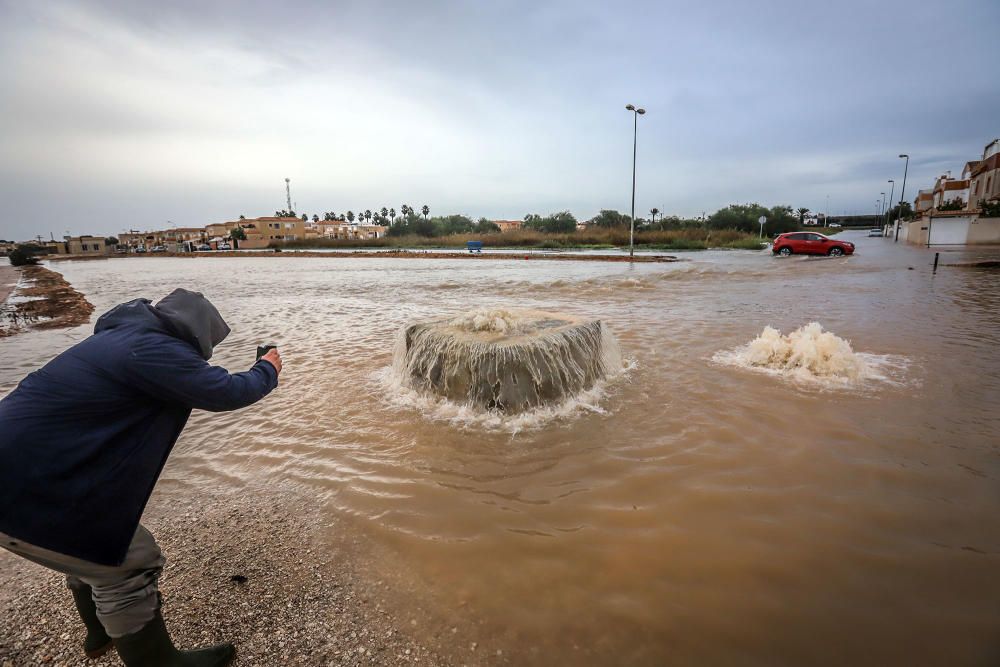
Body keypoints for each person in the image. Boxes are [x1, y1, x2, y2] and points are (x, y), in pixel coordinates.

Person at [0, 288, 281, 667]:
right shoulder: (154, 350)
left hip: (23, 470)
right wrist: (268, 367)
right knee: (128, 561)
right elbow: (227, 391)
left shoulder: (120, 338)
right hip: (25, 482)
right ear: (197, 332)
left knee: (83, 552)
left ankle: (100, 635)